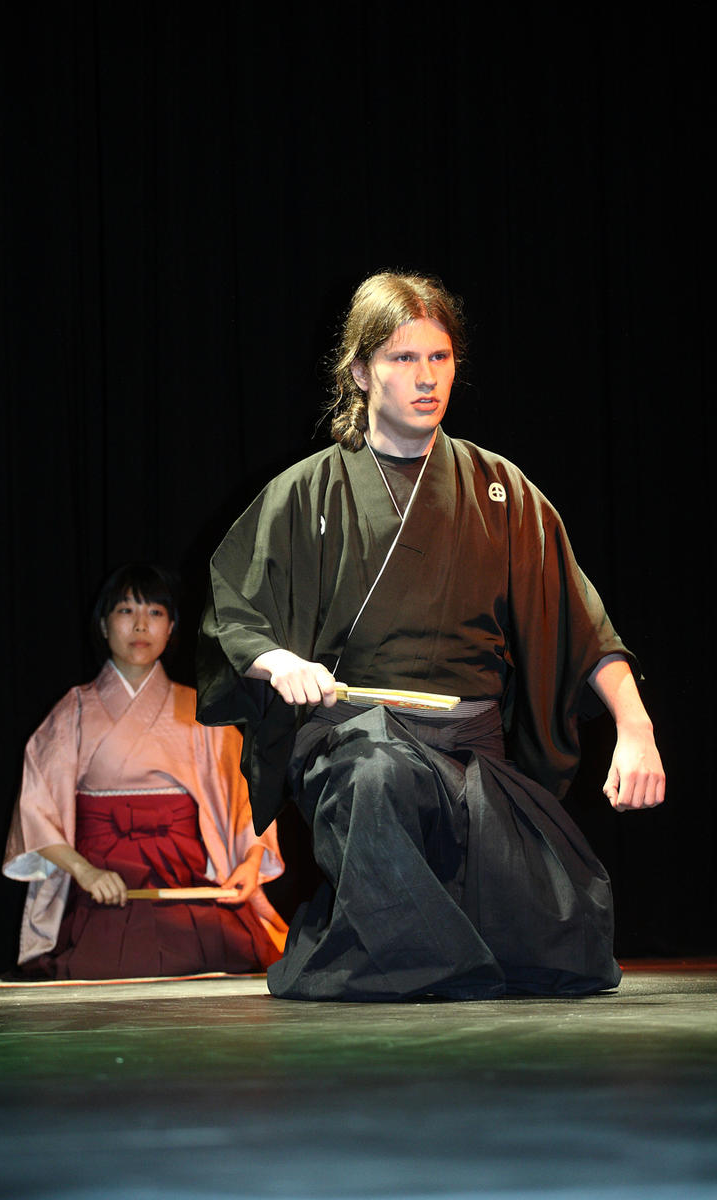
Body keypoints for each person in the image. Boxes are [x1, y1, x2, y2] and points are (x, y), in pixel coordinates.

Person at [196, 270, 666, 1003]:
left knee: (570, 942)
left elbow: (580, 622)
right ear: (361, 372)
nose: (426, 377)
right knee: (380, 780)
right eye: (403, 358)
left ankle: (419, 949)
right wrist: (279, 661)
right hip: (358, 740)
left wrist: (635, 726)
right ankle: (412, 956)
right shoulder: (308, 492)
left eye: (439, 357)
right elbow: (235, 612)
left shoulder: (500, 491)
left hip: (470, 750)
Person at [3, 562, 287, 980]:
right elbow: (36, 810)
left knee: (229, 948)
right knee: (104, 959)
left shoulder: (200, 712)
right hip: (105, 878)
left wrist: (250, 862)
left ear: (171, 628)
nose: (140, 625)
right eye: (126, 611)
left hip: (185, 873)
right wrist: (85, 872)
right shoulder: (74, 710)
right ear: (104, 625)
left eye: (155, 612)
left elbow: (245, 799)